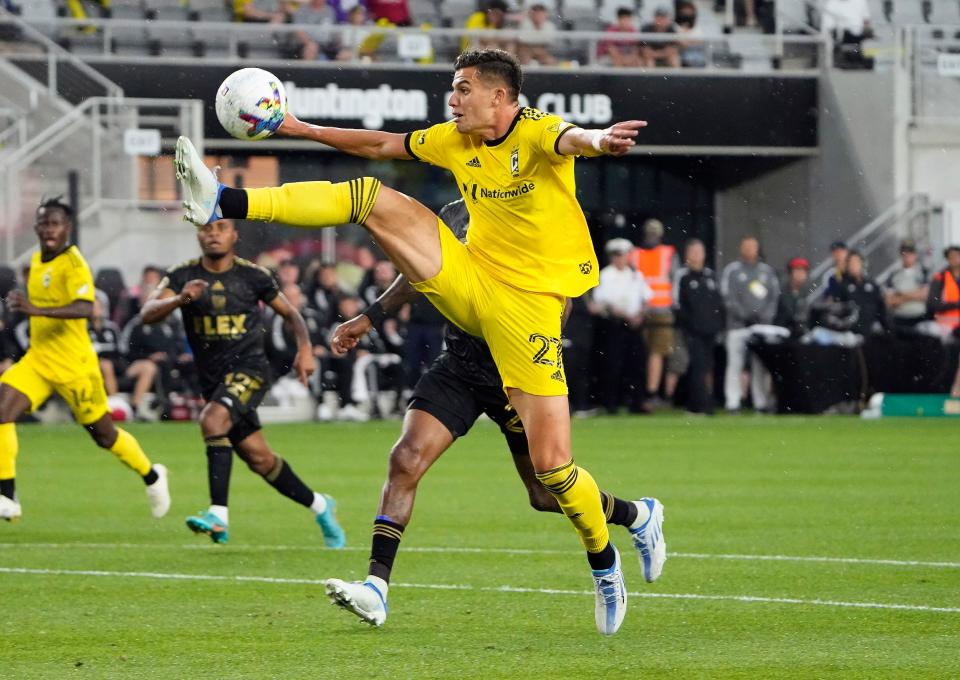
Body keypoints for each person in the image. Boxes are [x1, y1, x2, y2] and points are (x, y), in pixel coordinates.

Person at [175, 48, 663, 635]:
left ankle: (611, 551)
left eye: (462, 89)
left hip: (527, 311)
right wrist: (300, 128)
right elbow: (382, 145)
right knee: (368, 196)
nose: (452, 100)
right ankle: (223, 199)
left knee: (552, 474)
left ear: (500, 97)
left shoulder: (534, 132)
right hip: (471, 295)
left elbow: (571, 139)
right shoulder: (455, 141)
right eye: (452, 89)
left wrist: (600, 140)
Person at [325, 199, 660, 626]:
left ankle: (637, 515)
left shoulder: (533, 212)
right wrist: (369, 319)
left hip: (516, 372)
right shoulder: (453, 214)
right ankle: (376, 589)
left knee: (543, 494)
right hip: (460, 367)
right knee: (404, 459)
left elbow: (563, 302)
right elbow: (419, 272)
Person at [141, 219, 345, 547]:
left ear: (234, 234)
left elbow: (292, 314)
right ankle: (321, 506)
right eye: (207, 229)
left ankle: (218, 517)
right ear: (198, 235)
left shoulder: (253, 275)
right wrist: (180, 299)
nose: (213, 234)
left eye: (221, 228)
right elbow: (147, 312)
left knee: (212, 419)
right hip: (212, 380)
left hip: (250, 370)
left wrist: (305, 350)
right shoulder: (182, 275)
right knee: (259, 459)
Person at [0, 199, 170, 521]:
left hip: (75, 366)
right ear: (37, 228)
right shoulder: (37, 260)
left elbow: (83, 308)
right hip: (38, 360)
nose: (49, 229)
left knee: (104, 435)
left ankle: (152, 475)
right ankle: (7, 496)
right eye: (44, 224)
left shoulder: (74, 264)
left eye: (56, 224)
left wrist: (35, 309)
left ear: (68, 228)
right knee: (1, 411)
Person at [720, 235, 779, 412]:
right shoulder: (733, 271)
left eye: (752, 247)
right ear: (740, 249)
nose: (749, 250)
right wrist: (744, 315)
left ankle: (760, 402)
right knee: (735, 364)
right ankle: (733, 401)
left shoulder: (767, 272)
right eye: (746, 247)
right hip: (738, 326)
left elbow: (774, 298)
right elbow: (727, 297)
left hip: (760, 326)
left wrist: (763, 317)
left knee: (759, 366)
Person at [593, 238, 650, 413]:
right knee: (613, 364)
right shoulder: (605, 274)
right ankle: (611, 403)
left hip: (634, 325)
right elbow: (601, 302)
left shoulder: (635, 274)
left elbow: (646, 297)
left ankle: (636, 402)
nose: (620, 259)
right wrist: (621, 314)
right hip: (614, 324)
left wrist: (640, 315)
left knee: (637, 364)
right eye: (617, 255)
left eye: (623, 255)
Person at [628, 218, 678, 409]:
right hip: (648, 311)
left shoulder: (637, 254)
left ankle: (648, 392)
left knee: (653, 354)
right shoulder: (666, 253)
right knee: (651, 354)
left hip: (653, 311)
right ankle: (649, 393)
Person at [674, 239, 724, 414]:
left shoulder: (711, 277)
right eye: (692, 252)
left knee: (706, 366)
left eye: (699, 252)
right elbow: (678, 305)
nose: (696, 256)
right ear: (687, 255)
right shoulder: (683, 277)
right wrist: (690, 325)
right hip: (692, 331)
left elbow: (719, 303)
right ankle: (699, 404)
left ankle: (702, 401)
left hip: (710, 331)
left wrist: (717, 325)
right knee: (697, 365)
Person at [830, 250, 886, 337]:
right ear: (847, 265)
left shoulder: (871, 284)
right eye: (851, 262)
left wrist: (885, 328)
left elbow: (881, 308)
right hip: (850, 334)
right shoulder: (841, 286)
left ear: (862, 264)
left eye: (856, 262)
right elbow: (837, 310)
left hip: (871, 333)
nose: (854, 265)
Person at [883, 239, 929, 330]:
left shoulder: (923, 272)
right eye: (905, 253)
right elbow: (889, 300)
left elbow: (925, 295)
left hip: (920, 317)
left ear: (915, 255)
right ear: (901, 255)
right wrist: (916, 294)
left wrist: (901, 294)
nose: (907, 256)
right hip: (900, 318)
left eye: (910, 253)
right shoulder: (893, 275)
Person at [775, 257, 813, 335]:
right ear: (790, 272)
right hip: (783, 332)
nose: (800, 274)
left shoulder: (808, 291)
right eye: (797, 270)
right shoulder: (781, 291)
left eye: (803, 271)